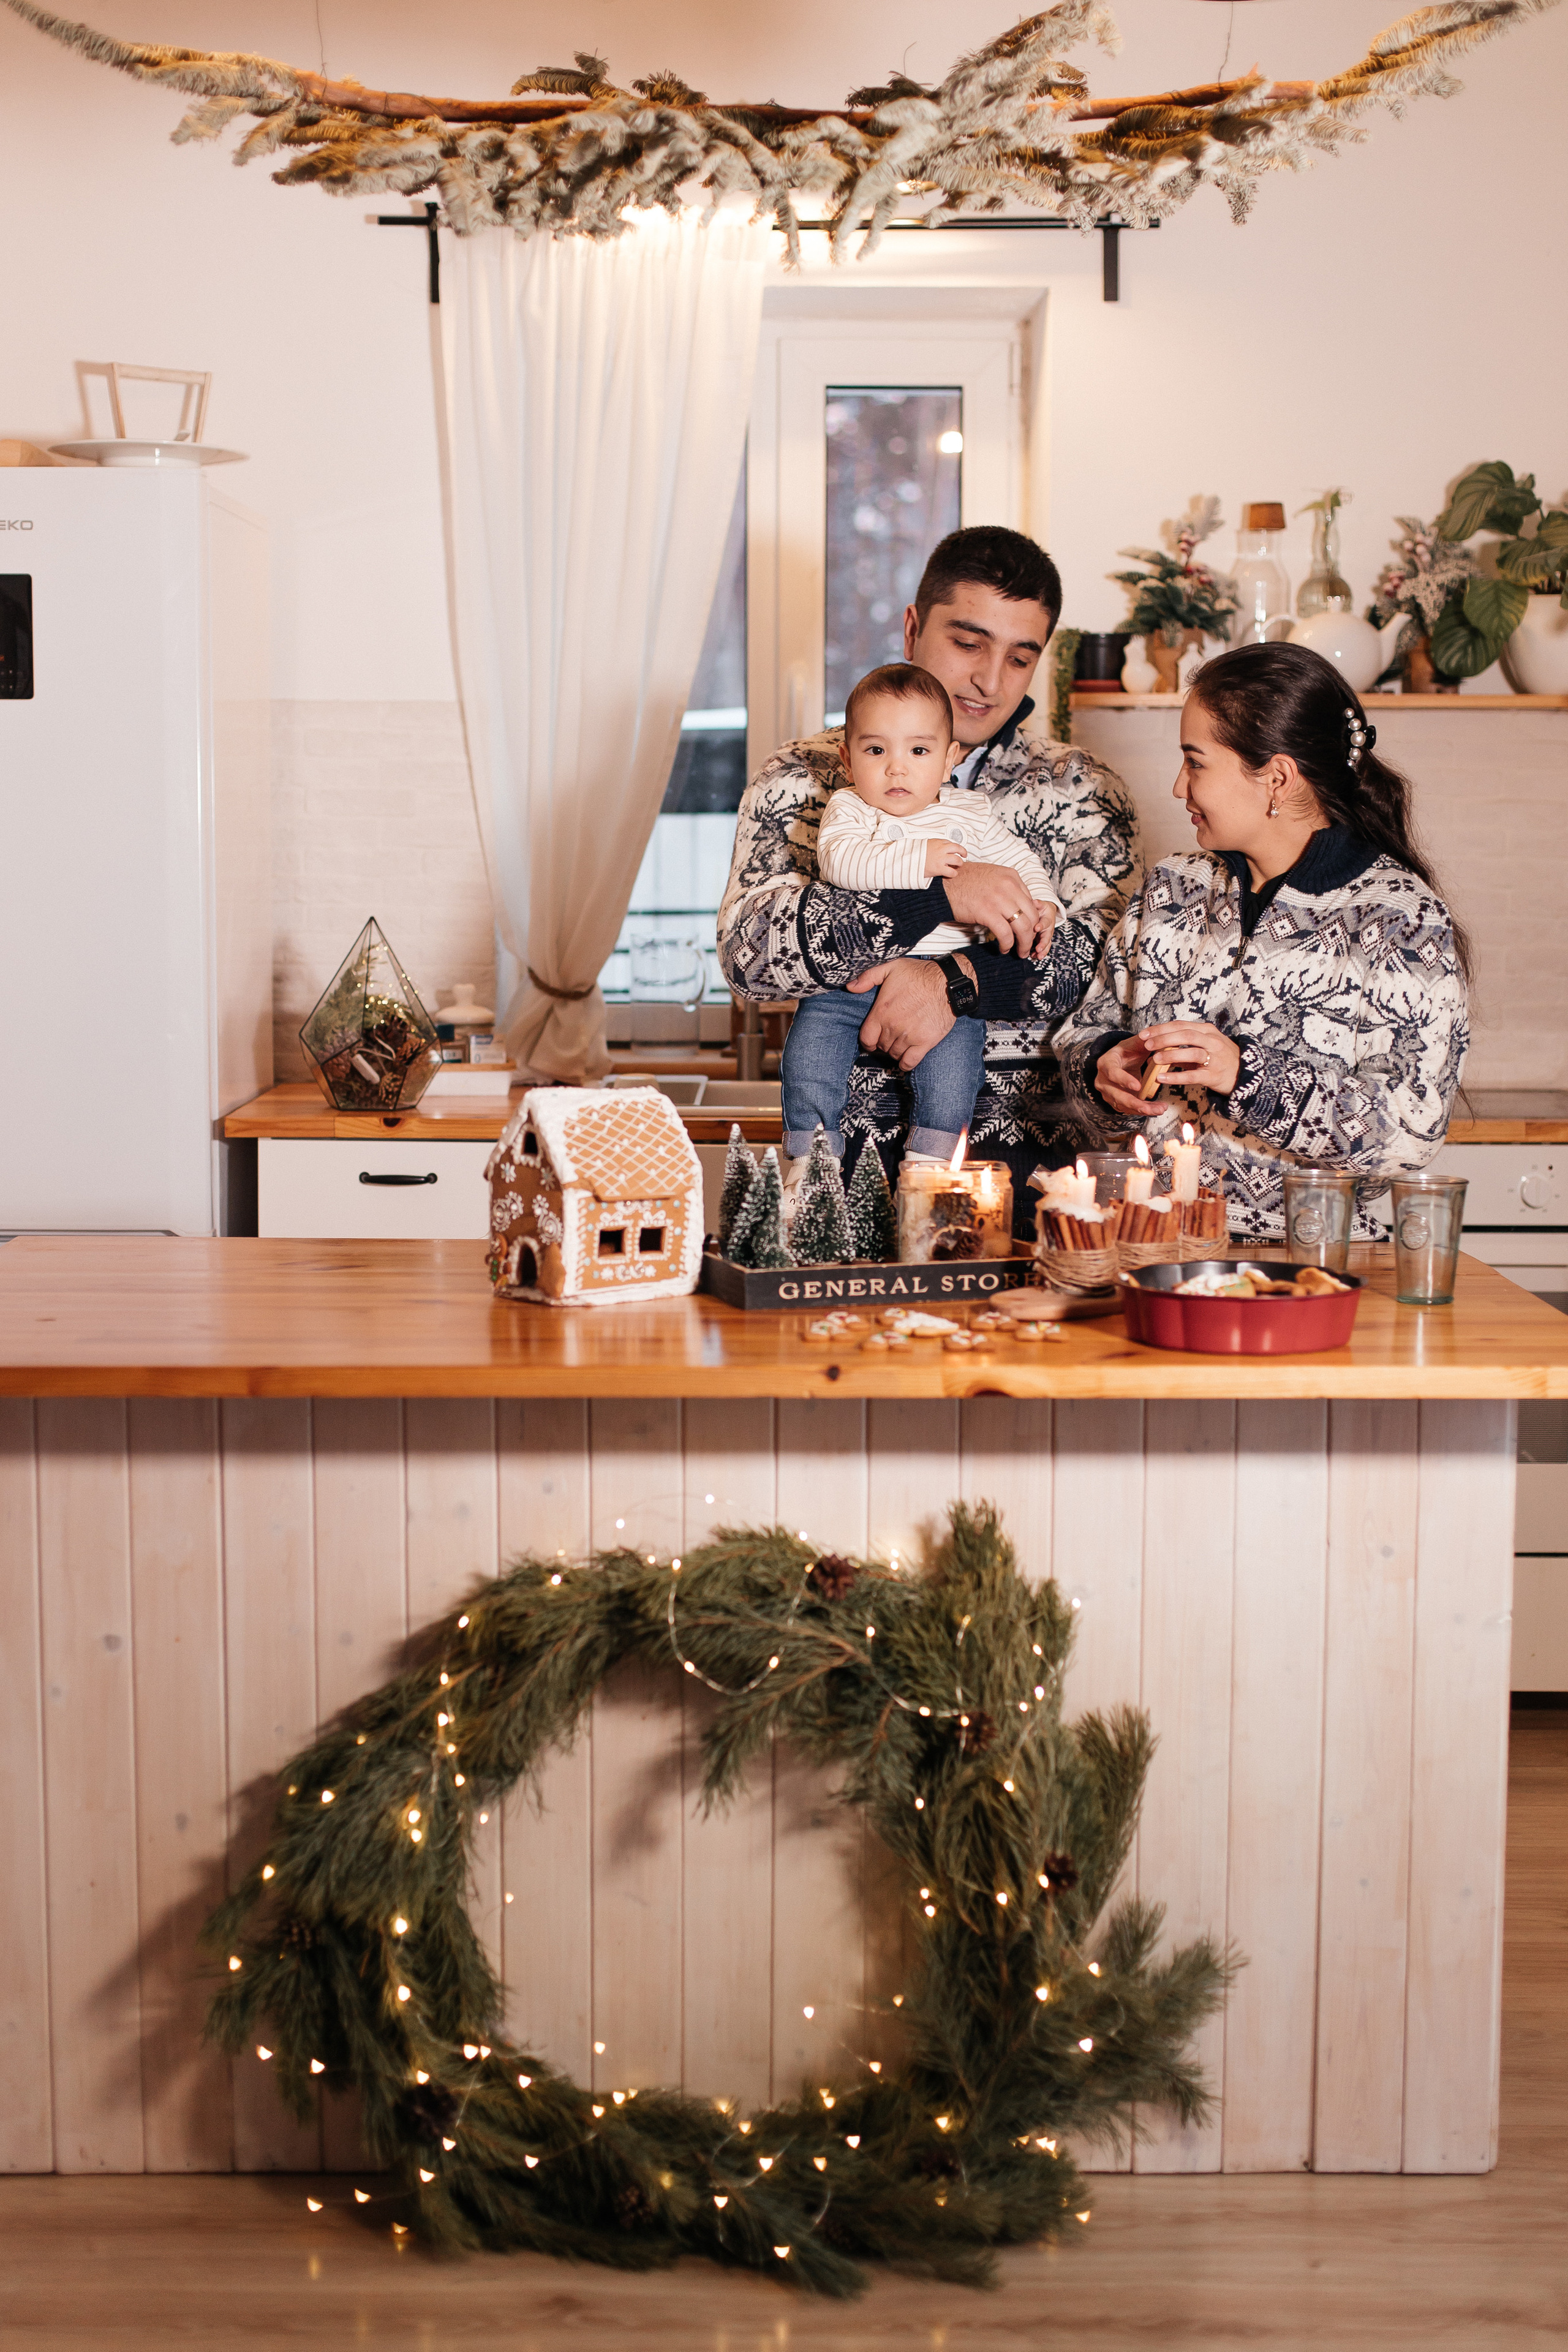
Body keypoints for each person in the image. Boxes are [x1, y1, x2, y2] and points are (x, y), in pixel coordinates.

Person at [716, 526, 1137, 1229]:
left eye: (1019, 657)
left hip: (1025, 1176)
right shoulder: (802, 776)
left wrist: (953, 983)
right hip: (840, 1175)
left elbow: (1101, 968)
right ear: (912, 628)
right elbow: (750, 955)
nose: (990, 680)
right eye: (968, 643)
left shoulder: (1084, 790)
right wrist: (936, 899)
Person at [1052, 639, 1471, 1236]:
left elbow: (1410, 1134)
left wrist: (1245, 1076)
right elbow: (1081, 1038)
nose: (1178, 786)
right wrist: (1102, 1070)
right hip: (1154, 1251)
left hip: (1314, 1264)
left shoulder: (1402, 919)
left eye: (1196, 763)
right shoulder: (1170, 889)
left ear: (1276, 777)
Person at [780, 661, 1060, 1169]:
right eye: (876, 750)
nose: (897, 768)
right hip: (850, 982)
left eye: (919, 751)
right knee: (809, 1056)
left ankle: (929, 1163)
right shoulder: (850, 808)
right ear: (847, 759)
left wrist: (1043, 905)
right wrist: (923, 863)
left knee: (954, 1075)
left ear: (950, 758)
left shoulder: (971, 814)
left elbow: (1019, 866)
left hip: (943, 985)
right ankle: (811, 1155)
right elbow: (842, 863)